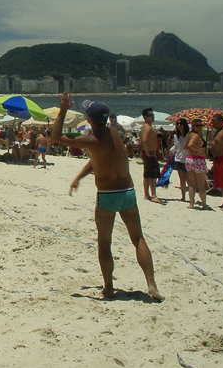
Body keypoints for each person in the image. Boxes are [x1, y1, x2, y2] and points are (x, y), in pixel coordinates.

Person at [52, 93, 163, 301]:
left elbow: (56, 137)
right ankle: (152, 284)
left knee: (104, 243)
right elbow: (98, 160)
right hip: (128, 193)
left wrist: (63, 110)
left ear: (90, 120)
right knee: (138, 238)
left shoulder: (92, 140)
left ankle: (109, 288)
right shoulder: (114, 133)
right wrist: (79, 176)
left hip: (107, 195)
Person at [183, 118, 210, 210]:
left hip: (189, 159)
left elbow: (185, 146)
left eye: (201, 126)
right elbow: (190, 145)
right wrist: (199, 150)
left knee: (192, 183)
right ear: (193, 126)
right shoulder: (196, 136)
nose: (200, 127)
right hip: (198, 160)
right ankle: (204, 204)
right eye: (197, 126)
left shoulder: (189, 134)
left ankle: (191, 203)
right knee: (201, 185)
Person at [140, 108, 162, 204]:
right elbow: (144, 140)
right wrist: (148, 151)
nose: (153, 117)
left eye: (153, 115)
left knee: (147, 174)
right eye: (151, 115)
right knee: (152, 175)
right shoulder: (148, 128)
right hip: (149, 154)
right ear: (145, 117)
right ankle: (153, 195)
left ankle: (146, 194)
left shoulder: (145, 126)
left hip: (148, 153)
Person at [170, 118, 190, 201]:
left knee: (189, 179)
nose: (179, 125)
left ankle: (191, 197)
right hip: (178, 159)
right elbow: (176, 146)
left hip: (187, 159)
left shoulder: (189, 136)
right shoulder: (176, 136)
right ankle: (183, 197)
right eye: (178, 124)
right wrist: (172, 150)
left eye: (181, 124)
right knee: (182, 179)